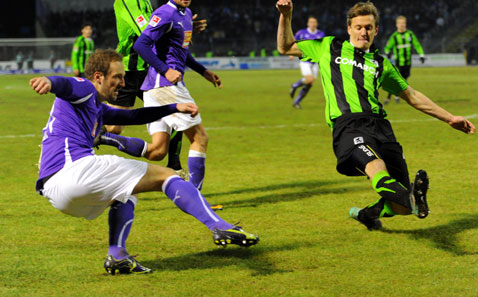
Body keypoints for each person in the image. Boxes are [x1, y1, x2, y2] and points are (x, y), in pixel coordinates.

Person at [30, 49, 258, 275]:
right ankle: (219, 226)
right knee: (167, 176)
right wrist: (48, 81)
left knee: (126, 193)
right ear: (98, 76)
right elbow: (66, 85)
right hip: (76, 171)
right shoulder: (86, 88)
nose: (122, 82)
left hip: (57, 192)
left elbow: (133, 116)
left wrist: (174, 107)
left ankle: (118, 256)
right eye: (117, 77)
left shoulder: (95, 107)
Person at [276, 0, 476, 230]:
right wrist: (286, 15)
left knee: (401, 208)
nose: (363, 32)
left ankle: (369, 213)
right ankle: (412, 196)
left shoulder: (382, 64)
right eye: (359, 27)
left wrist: (450, 118)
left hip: (381, 127)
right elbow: (285, 47)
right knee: (375, 166)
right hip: (348, 126)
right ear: (349, 28)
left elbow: (411, 94)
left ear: (376, 30)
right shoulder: (328, 46)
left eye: (368, 27)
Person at [99, 0, 222, 194]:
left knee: (157, 151)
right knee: (115, 126)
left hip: (150, 73)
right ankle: (84, 137)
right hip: (133, 70)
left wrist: (202, 70)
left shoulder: (172, 10)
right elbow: (147, 35)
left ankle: (173, 165)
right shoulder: (135, 4)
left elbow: (174, 43)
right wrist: (174, 31)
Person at [383, 16, 424, 104]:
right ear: (397, 25)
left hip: (408, 62)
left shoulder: (410, 34)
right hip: (399, 62)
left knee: (404, 79)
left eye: (403, 23)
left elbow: (417, 45)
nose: (402, 25)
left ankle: (396, 95)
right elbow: (387, 47)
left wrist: (421, 55)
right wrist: (387, 53)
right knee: (398, 80)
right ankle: (389, 97)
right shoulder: (394, 37)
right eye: (400, 23)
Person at [289, 16, 325, 109]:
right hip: (305, 60)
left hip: (315, 62)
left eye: (314, 22)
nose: (313, 24)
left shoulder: (321, 34)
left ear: (316, 24)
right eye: (311, 22)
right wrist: (292, 53)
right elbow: (294, 42)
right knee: (309, 79)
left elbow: (322, 47)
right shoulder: (302, 33)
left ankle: (296, 101)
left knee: (310, 83)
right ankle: (295, 85)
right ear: (308, 24)